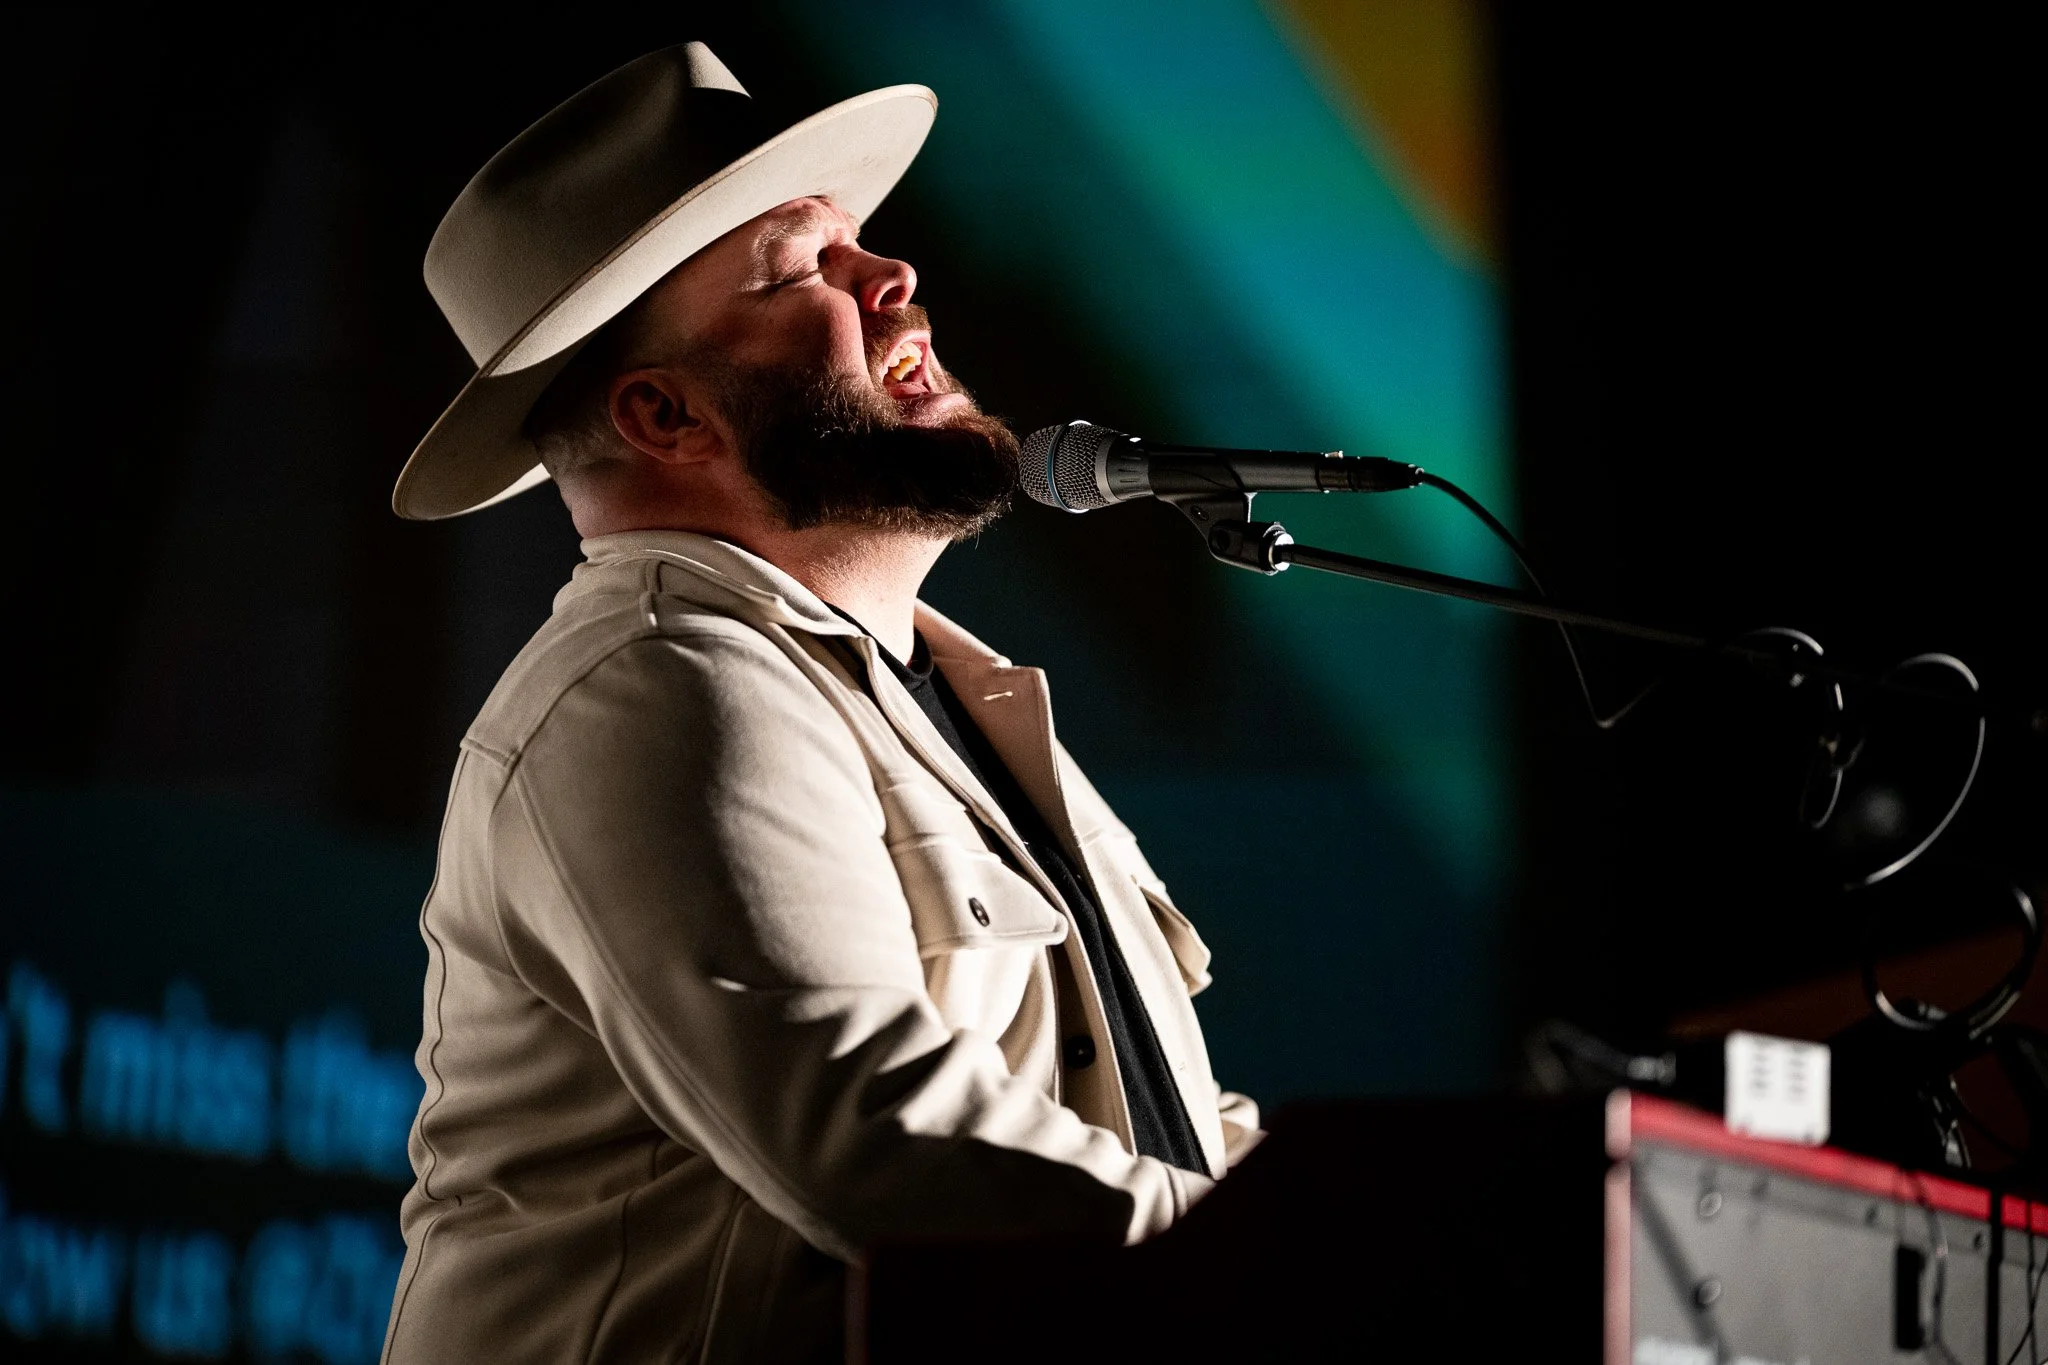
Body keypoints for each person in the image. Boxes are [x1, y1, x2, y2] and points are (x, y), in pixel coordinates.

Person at [380, 43, 1258, 1364]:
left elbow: (1152, 1126)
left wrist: (1412, 1221)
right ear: (667, 413)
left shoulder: (940, 689)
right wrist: (1316, 1270)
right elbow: (887, 1133)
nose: (891, 277)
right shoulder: (658, 685)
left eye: (861, 245)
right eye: (802, 269)